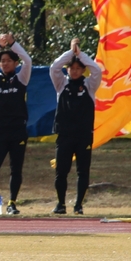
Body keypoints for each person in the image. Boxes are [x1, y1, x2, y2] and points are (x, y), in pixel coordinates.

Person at [0, 33, 32, 215]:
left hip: (18, 131)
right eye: (2, 60)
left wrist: (13, 44)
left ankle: (12, 203)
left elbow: (28, 60)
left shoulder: (21, 78)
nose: (5, 63)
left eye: (9, 60)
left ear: (15, 64)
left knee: (15, 169)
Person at [50, 38, 102, 215]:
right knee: (61, 171)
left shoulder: (89, 85)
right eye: (72, 68)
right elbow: (54, 67)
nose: (75, 71)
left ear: (83, 70)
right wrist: (71, 53)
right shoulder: (61, 84)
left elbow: (96, 70)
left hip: (84, 135)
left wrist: (80, 54)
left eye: (78, 68)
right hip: (64, 135)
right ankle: (60, 204)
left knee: (83, 171)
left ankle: (79, 205)